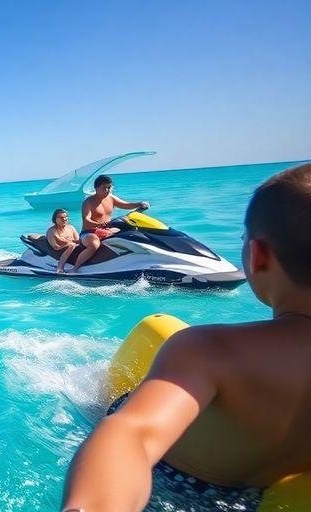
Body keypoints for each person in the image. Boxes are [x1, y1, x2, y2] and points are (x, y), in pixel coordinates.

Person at [62, 163, 311, 511]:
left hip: (172, 484)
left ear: (258, 257)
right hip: (256, 497)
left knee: (104, 398)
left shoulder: (212, 350)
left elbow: (133, 434)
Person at [72, 174, 149, 272]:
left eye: (109, 187)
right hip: (89, 232)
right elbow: (86, 219)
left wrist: (139, 204)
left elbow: (126, 205)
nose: (108, 190)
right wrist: (98, 224)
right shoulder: (88, 202)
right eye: (104, 188)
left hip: (107, 230)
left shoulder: (111, 198)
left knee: (130, 232)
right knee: (94, 245)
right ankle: (75, 268)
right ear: (96, 188)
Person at [46, 208, 81, 273]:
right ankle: (60, 268)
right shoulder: (51, 231)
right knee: (71, 245)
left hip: (74, 250)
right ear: (55, 219)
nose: (64, 219)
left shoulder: (71, 227)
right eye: (61, 217)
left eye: (66, 217)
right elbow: (55, 247)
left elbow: (78, 240)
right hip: (60, 251)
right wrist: (68, 244)